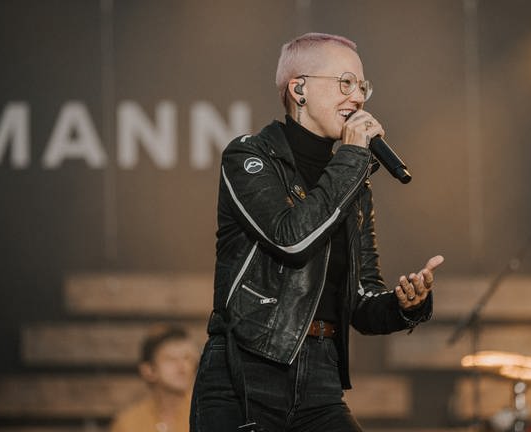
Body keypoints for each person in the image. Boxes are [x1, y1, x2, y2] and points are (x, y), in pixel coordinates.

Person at [189, 32, 444, 432]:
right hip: (248, 372)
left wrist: (404, 305)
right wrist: (354, 157)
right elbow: (291, 239)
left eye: (362, 86)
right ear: (299, 89)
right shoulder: (251, 156)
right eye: (345, 83)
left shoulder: (352, 180)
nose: (357, 98)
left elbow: (360, 301)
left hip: (320, 379)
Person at [110, 324, 198, 432]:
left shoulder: (207, 415)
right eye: (170, 359)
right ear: (148, 370)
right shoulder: (129, 424)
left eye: (187, 358)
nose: (183, 367)